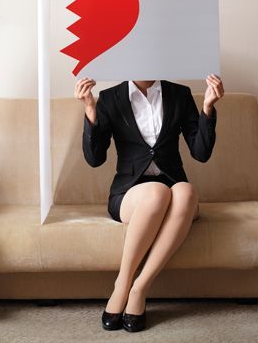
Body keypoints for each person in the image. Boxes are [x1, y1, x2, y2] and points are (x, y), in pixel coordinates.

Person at [75, 75, 224, 333]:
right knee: (156, 192)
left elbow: (200, 153)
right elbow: (95, 159)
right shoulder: (110, 98)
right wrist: (90, 109)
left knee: (186, 191)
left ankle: (139, 288)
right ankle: (122, 285)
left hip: (173, 189)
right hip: (129, 193)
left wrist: (208, 108)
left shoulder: (179, 94)